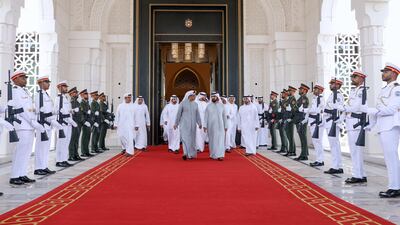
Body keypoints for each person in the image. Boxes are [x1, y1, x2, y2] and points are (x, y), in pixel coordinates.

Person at [363, 63, 400, 198]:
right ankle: (393, 186)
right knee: (389, 158)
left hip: (391, 126)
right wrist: (371, 124)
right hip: (383, 126)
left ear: (394, 74)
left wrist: (370, 110)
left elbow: (391, 109)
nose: (383, 73)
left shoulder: (396, 90)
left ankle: (395, 187)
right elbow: (380, 110)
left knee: (392, 157)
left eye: (386, 71)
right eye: (383, 71)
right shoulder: (384, 90)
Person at [9, 71, 42, 185]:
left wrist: (34, 121)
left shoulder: (25, 91)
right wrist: (32, 121)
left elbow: (30, 108)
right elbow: (21, 109)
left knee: (27, 152)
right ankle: (14, 176)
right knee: (20, 151)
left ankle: (22, 174)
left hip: (29, 126)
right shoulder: (15, 92)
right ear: (15, 79)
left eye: (25, 78)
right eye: (23, 78)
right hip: (23, 125)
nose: (25, 80)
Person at [343, 70, 368, 184]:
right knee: (354, 151)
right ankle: (361, 174)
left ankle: (358, 175)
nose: (352, 78)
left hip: (356, 123)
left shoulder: (362, 91)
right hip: (351, 122)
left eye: (355, 77)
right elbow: (350, 104)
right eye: (352, 76)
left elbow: (355, 106)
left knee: (356, 151)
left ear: (361, 79)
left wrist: (344, 108)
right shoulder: (354, 91)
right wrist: (346, 107)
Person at [33, 76, 60, 175]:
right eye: (46, 82)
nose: (48, 84)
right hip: (42, 123)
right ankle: (38, 168)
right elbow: (39, 110)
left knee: (46, 147)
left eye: (48, 82)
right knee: (40, 147)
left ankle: (43, 166)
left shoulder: (46, 95)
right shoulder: (38, 95)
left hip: (48, 123)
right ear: (41, 83)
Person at [323, 78, 345, 174]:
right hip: (329, 122)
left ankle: (335, 166)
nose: (330, 85)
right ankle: (338, 166)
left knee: (334, 145)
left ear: (338, 85)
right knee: (334, 145)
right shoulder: (332, 95)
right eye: (331, 83)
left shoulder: (339, 95)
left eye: (332, 83)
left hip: (333, 122)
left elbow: (338, 108)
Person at [54, 81, 78, 167]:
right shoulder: (58, 98)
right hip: (62, 123)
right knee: (61, 143)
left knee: (66, 142)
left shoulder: (65, 98)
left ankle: (64, 159)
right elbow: (58, 111)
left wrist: (72, 112)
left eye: (66, 87)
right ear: (59, 88)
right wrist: (71, 121)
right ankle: (59, 160)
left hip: (68, 124)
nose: (66, 88)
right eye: (64, 87)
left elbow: (67, 110)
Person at [174, 90, 202, 160]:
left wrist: (200, 123)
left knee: (192, 140)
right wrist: (176, 123)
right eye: (193, 96)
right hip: (184, 125)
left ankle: (191, 154)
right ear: (189, 96)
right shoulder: (182, 103)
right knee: (185, 139)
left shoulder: (195, 104)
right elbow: (178, 114)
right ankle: (186, 153)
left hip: (193, 126)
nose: (194, 97)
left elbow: (197, 115)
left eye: (195, 96)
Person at [204, 93, 227, 160]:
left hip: (220, 126)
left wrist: (226, 126)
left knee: (220, 140)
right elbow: (206, 117)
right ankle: (213, 154)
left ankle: (220, 155)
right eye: (212, 97)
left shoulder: (221, 106)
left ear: (217, 97)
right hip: (211, 126)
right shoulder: (208, 106)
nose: (213, 98)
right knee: (212, 141)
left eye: (214, 96)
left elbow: (224, 117)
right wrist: (205, 126)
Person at [307, 84, 326, 167]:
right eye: (314, 88)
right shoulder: (315, 99)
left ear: (320, 91)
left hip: (317, 122)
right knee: (315, 142)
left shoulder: (321, 99)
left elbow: (316, 110)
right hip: (312, 121)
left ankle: (320, 160)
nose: (314, 90)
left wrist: (306, 110)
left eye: (316, 89)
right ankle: (318, 159)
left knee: (318, 141)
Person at [294, 84, 310, 161]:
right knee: (302, 137)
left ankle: (304, 155)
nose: (299, 90)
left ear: (305, 91)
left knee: (303, 137)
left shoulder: (304, 99)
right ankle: (304, 153)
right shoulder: (300, 98)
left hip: (302, 119)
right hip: (298, 119)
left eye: (301, 89)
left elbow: (304, 110)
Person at [68, 87, 84, 161]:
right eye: (75, 93)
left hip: (78, 123)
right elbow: (71, 113)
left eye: (77, 93)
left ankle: (76, 154)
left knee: (76, 140)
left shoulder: (77, 102)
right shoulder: (71, 102)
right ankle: (71, 155)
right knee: (72, 139)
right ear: (71, 94)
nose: (77, 94)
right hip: (74, 123)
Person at [79, 89, 94, 157]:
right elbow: (81, 114)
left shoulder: (87, 103)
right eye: (85, 94)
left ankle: (86, 151)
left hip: (89, 122)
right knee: (84, 138)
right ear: (82, 95)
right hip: (85, 123)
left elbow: (90, 113)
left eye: (87, 94)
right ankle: (83, 152)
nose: (87, 95)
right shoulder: (81, 103)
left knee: (88, 137)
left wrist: (91, 122)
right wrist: (84, 122)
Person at [284, 86, 298, 157]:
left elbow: (294, 110)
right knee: (289, 135)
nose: (288, 92)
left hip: (290, 119)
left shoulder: (293, 99)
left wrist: (291, 118)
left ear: (293, 92)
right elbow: (285, 106)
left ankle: (292, 151)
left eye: (290, 91)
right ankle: (291, 150)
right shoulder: (289, 99)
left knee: (291, 135)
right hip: (287, 118)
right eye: (288, 91)